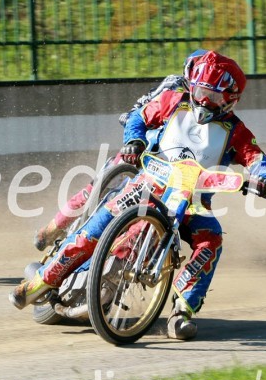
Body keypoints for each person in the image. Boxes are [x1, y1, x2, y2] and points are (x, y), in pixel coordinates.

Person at [11, 51, 266, 340]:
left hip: (193, 205)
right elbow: (138, 117)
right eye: (201, 92)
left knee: (211, 241)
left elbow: (259, 161)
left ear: (230, 99)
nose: (203, 101)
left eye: (212, 97)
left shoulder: (237, 132)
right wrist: (134, 141)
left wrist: (263, 180)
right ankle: (41, 282)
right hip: (146, 185)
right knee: (93, 230)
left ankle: (182, 311)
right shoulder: (173, 100)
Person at [33, 49, 207, 251]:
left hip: (172, 165)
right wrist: (132, 122)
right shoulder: (173, 84)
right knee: (96, 188)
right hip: (144, 149)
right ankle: (51, 230)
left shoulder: (212, 107)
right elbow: (141, 107)